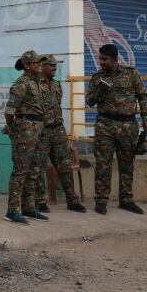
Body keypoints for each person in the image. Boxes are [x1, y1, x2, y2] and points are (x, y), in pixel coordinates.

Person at [86, 44, 147, 215]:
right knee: (103, 164)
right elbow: (90, 101)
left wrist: (146, 118)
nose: (101, 62)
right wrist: (100, 90)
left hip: (128, 126)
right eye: (100, 58)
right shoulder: (97, 78)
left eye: (105, 59)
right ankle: (101, 200)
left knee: (127, 163)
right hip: (105, 125)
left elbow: (142, 96)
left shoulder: (131, 74)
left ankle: (126, 200)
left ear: (115, 59)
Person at [34, 54, 87, 213]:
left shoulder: (57, 85)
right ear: (42, 66)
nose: (54, 69)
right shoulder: (33, 85)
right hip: (42, 131)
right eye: (52, 66)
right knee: (38, 167)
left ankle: (72, 200)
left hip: (58, 130)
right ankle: (40, 201)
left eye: (56, 66)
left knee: (65, 165)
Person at [2, 50, 49, 225]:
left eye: (41, 62)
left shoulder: (38, 83)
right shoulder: (21, 84)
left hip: (38, 129)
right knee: (20, 171)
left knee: (34, 170)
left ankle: (28, 208)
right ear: (28, 66)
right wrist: (12, 125)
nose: (40, 65)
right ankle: (12, 211)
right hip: (25, 130)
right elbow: (9, 111)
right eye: (37, 63)